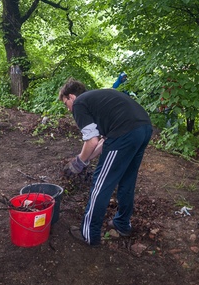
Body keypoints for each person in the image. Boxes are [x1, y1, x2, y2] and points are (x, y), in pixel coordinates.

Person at [59, 78, 153, 247]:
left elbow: (92, 141)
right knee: (127, 179)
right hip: (143, 129)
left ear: (71, 97)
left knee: (101, 184)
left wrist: (79, 161)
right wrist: (84, 160)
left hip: (125, 134)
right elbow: (102, 143)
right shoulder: (100, 100)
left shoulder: (80, 103)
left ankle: (89, 234)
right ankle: (122, 224)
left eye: (66, 104)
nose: (68, 109)